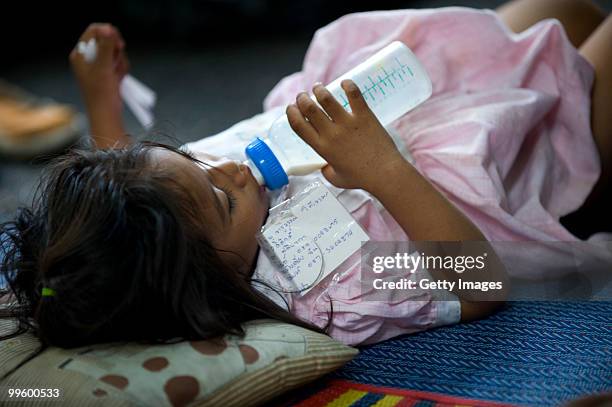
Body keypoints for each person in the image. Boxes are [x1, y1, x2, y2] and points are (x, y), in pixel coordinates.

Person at [0, 0, 610, 350]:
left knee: (559, 12)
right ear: (213, 282)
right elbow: (479, 285)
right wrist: (384, 173)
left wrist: (102, 102)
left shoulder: (178, 207)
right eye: (220, 198)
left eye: (197, 161)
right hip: (513, 165)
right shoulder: (325, 284)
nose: (232, 170)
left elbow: (140, 212)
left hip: (435, 103)